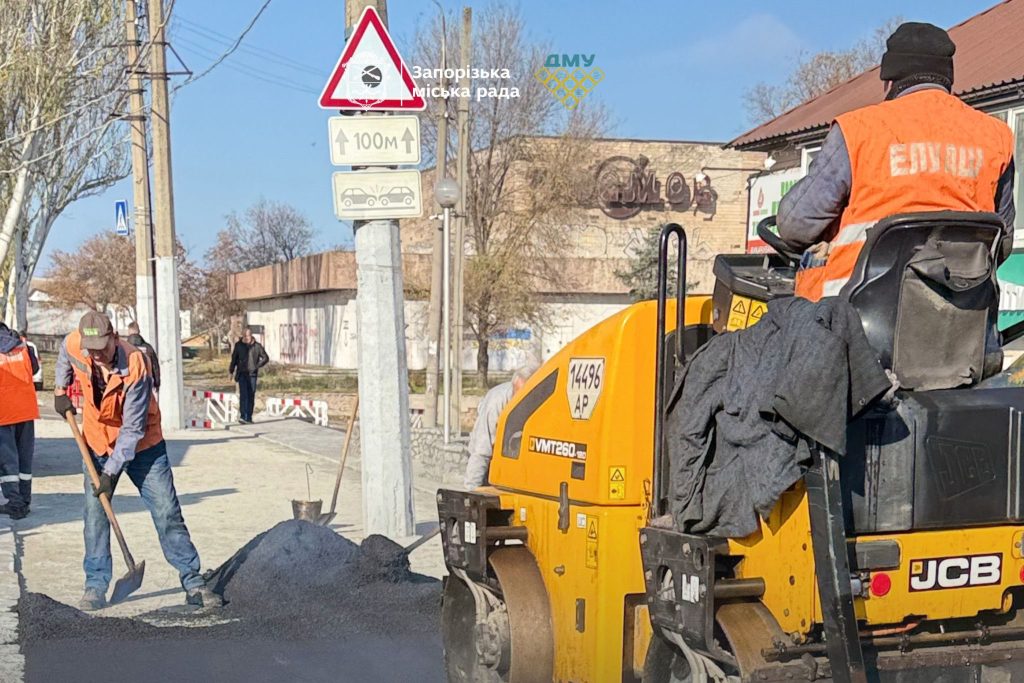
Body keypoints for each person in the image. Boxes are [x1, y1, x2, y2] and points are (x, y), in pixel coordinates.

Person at [777, 22, 1016, 301]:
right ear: (946, 78)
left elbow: (795, 225)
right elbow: (1003, 240)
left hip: (852, 317)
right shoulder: (995, 136)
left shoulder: (858, 130)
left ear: (889, 80)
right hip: (960, 320)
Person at [54, 311, 220, 611]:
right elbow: (65, 353)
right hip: (96, 442)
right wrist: (59, 389)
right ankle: (95, 585)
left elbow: (131, 430)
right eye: (91, 350)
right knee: (95, 516)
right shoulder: (76, 344)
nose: (97, 355)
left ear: (114, 338)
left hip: (143, 446)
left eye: (103, 348)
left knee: (167, 512)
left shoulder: (135, 365)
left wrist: (110, 473)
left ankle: (193, 580)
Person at [463, 359, 542, 489]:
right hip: (488, 465)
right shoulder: (496, 402)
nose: (518, 398)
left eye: (523, 395)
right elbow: (482, 449)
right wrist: (472, 490)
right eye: (516, 392)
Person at [0, 323, 38, 519]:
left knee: (7, 462)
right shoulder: (22, 345)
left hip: (3, 412)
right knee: (24, 458)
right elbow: (35, 368)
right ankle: (24, 499)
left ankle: (15, 504)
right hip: (25, 409)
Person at [229, 327, 269, 424]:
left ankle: (249, 417)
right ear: (243, 335)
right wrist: (231, 371)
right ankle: (243, 416)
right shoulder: (239, 346)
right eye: (246, 335)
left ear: (251, 335)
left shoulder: (257, 346)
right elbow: (234, 359)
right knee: (244, 395)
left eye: (249, 335)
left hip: (252, 374)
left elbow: (265, 358)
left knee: (251, 395)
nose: (247, 337)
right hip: (242, 373)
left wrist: (257, 366)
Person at [124, 321, 160, 391]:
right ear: (139, 331)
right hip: (147, 382)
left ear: (129, 332)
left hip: (129, 382)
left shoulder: (124, 347)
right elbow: (155, 366)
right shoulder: (148, 347)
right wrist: (157, 383)